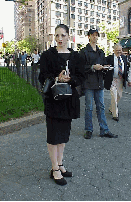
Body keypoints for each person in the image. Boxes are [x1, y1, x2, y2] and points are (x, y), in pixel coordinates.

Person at [38, 24, 85, 186]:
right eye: (57, 35)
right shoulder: (47, 55)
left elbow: (81, 76)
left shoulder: (75, 56)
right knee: (53, 134)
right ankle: (54, 168)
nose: (59, 39)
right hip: (53, 100)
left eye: (63, 35)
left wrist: (70, 79)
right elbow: (42, 76)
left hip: (69, 101)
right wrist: (57, 77)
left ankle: (60, 164)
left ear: (68, 36)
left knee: (63, 135)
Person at [79, 29, 118, 139]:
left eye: (97, 35)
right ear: (89, 37)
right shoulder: (84, 52)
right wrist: (92, 67)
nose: (95, 37)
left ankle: (104, 130)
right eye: (93, 35)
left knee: (101, 107)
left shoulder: (101, 52)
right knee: (89, 108)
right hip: (88, 84)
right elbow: (80, 68)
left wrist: (105, 68)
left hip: (99, 82)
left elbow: (104, 64)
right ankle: (88, 129)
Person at [106, 44, 128, 121]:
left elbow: (126, 68)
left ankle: (111, 108)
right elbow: (105, 66)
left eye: (120, 50)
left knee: (119, 96)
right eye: (117, 50)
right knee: (114, 97)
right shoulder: (109, 58)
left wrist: (128, 79)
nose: (119, 52)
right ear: (114, 50)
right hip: (112, 80)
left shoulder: (124, 58)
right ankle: (115, 114)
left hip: (120, 80)